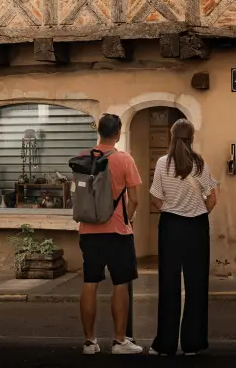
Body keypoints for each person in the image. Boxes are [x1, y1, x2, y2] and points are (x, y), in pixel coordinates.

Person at [149, 119, 219, 357]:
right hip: (196, 227)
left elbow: (155, 198)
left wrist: (171, 209)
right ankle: (193, 344)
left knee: (168, 284)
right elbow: (212, 198)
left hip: (170, 226)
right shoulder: (200, 164)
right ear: (191, 138)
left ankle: (165, 345)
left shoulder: (162, 163)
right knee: (196, 284)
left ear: (171, 136)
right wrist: (197, 213)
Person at [78, 113, 143, 355]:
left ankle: (89, 342)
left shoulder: (84, 157)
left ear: (99, 132)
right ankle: (119, 341)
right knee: (120, 284)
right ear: (118, 133)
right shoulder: (124, 159)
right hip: (118, 231)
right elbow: (135, 198)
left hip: (88, 229)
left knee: (90, 282)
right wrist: (128, 217)